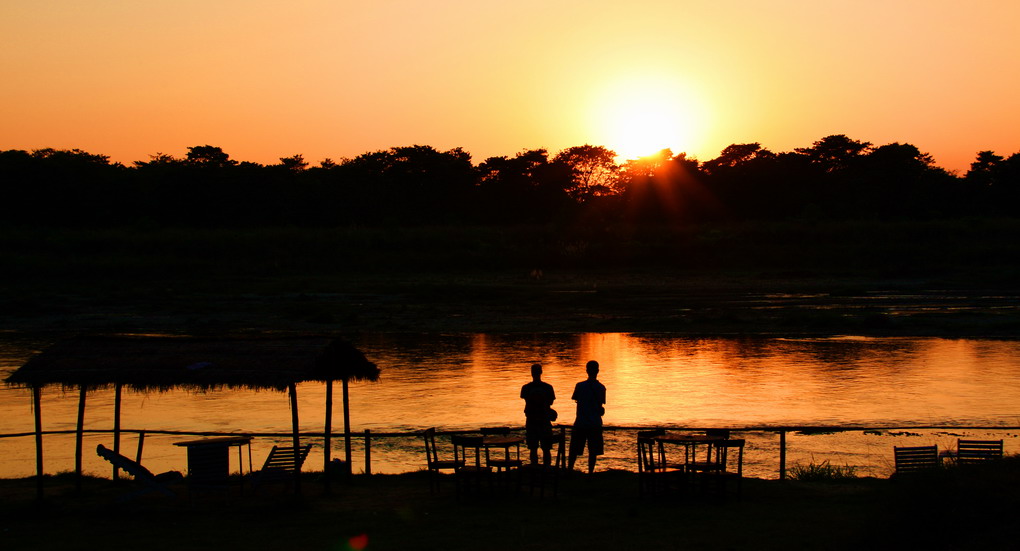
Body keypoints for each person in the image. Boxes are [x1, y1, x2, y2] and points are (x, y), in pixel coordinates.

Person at [568, 360, 606, 473]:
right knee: (593, 451)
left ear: (586, 371)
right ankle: (590, 472)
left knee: (574, 449)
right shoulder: (601, 388)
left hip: (580, 422)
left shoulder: (579, 386)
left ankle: (569, 470)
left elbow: (576, 399)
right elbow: (600, 408)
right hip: (594, 423)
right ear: (597, 371)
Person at [520, 363, 556, 465]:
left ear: (531, 373)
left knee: (533, 448)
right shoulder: (548, 387)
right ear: (541, 372)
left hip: (532, 421)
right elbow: (551, 402)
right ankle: (546, 469)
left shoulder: (526, 388)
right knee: (546, 448)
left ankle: (534, 468)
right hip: (544, 421)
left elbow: (526, 400)